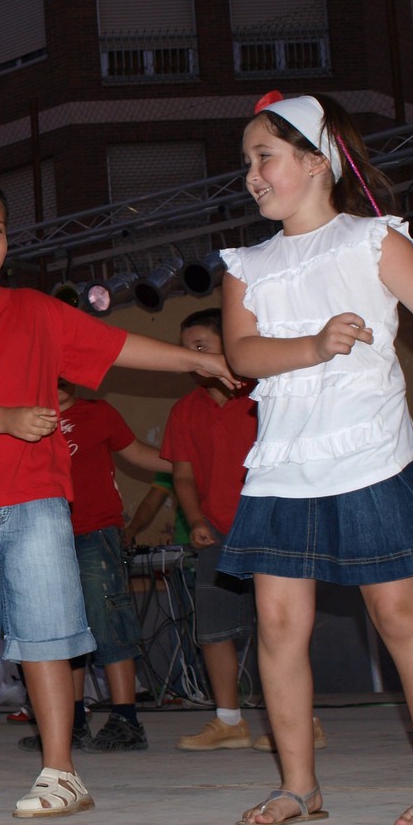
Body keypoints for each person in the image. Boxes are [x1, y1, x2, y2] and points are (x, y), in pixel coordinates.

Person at [0, 175, 237, 820]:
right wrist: (4, 419)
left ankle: (61, 773)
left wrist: (191, 361)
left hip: (35, 499)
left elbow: (115, 346)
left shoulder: (34, 310)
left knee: (48, 636)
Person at [218, 91, 413, 825]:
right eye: (247, 163)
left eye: (265, 157)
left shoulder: (375, 242)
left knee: (398, 610)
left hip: (367, 453)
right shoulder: (248, 265)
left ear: (317, 160)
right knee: (276, 622)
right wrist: (311, 345)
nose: (252, 175)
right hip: (282, 462)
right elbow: (241, 352)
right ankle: (299, 786)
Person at [160, 309, 262, 752]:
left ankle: (300, 719)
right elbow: (181, 476)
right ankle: (229, 721)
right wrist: (197, 520)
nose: (192, 356)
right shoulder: (184, 409)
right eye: (187, 349)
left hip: (270, 524)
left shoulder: (263, 392)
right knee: (215, 628)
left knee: (281, 627)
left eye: (201, 346)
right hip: (217, 530)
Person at [58, 381, 171, 753]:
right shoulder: (21, 418)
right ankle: (72, 723)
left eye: (62, 374)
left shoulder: (98, 412)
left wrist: (190, 463)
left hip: (95, 531)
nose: (54, 381)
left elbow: (137, 452)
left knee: (109, 619)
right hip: (45, 536)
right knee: (61, 630)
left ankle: (126, 718)